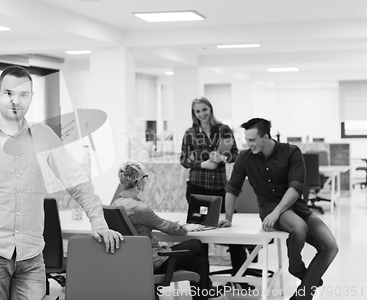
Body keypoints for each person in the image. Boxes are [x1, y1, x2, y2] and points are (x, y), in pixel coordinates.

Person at [0, 66, 122, 300]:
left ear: (31, 97)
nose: (15, 100)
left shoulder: (44, 136)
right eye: (8, 93)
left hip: (32, 257)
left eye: (23, 94)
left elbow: (78, 183)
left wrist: (99, 222)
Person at [219, 118, 339, 300]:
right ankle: (298, 271)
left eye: (252, 140)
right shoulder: (245, 158)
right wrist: (228, 218)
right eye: (246, 139)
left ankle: (300, 291)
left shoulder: (291, 152)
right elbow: (233, 188)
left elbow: (296, 186)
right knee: (298, 228)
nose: (247, 144)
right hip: (268, 208)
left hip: (295, 207)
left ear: (266, 137)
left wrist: (277, 212)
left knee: (330, 247)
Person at [113, 160, 223, 300]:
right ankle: (207, 289)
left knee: (199, 262)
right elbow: (167, 227)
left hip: (135, 262)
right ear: (137, 182)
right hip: (155, 262)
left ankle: (205, 291)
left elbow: (157, 223)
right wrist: (186, 227)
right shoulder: (140, 208)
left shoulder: (115, 205)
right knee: (196, 244)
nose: (146, 181)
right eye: (144, 177)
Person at [179, 97, 251, 288]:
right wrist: (201, 164)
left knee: (232, 234)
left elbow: (235, 154)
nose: (202, 114)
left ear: (210, 109)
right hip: (198, 188)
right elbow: (184, 159)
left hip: (220, 188)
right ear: (194, 114)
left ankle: (240, 279)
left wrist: (223, 157)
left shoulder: (224, 130)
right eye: (198, 111)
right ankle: (205, 283)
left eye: (204, 109)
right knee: (201, 237)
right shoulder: (190, 133)